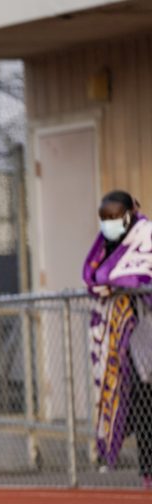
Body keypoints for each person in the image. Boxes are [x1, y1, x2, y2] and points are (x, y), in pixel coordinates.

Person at [84, 190, 152, 488]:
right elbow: (95, 275)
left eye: (113, 217)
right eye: (104, 219)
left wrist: (117, 283)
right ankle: (147, 469)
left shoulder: (145, 236)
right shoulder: (106, 244)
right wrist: (111, 283)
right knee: (139, 402)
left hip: (145, 330)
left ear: (128, 214)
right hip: (123, 344)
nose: (108, 224)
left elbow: (140, 274)